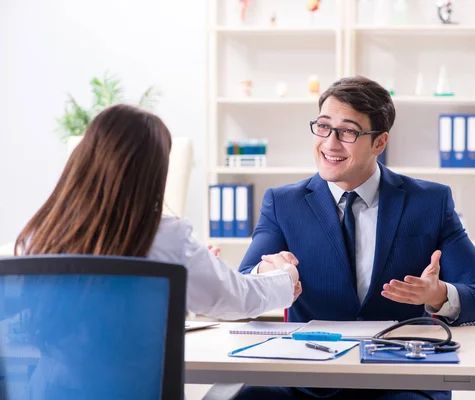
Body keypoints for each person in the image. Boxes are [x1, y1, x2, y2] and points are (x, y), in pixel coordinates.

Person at [237, 76, 475, 400]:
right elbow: (243, 290)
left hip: (401, 380)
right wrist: (269, 275)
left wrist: (440, 295)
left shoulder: (429, 202)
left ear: (379, 143)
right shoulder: (284, 203)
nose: (330, 143)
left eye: (348, 132)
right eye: (323, 127)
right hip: (308, 381)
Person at [14, 103, 301, 320]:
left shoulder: (39, 237)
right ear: (152, 174)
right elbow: (240, 299)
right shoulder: (168, 238)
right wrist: (286, 277)